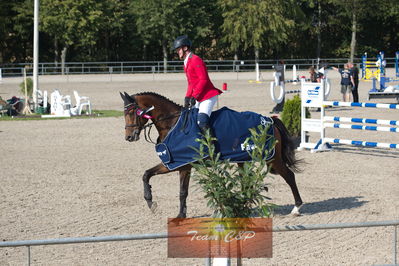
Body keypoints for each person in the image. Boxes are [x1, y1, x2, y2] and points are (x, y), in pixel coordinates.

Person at [173, 35, 222, 133]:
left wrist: (194, 96)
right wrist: (187, 97)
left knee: (201, 122)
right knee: (190, 119)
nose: (177, 51)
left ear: (185, 48)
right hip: (199, 97)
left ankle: (211, 146)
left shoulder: (196, 60)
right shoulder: (186, 62)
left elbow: (203, 80)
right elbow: (191, 83)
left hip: (208, 96)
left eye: (179, 49)